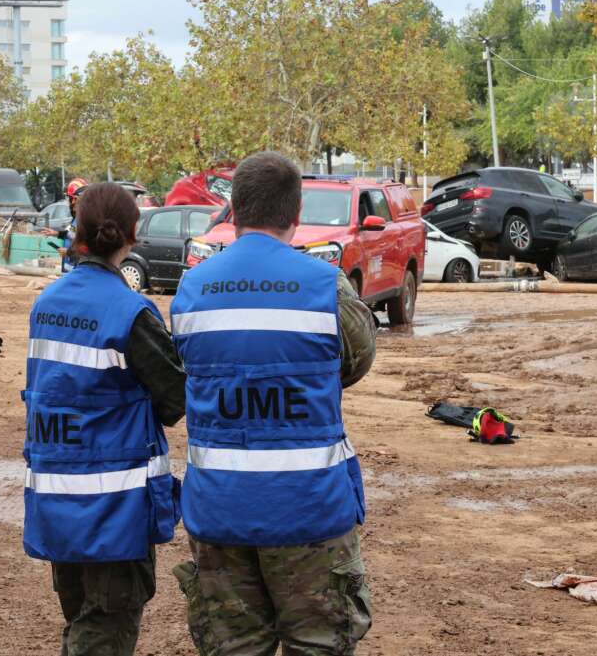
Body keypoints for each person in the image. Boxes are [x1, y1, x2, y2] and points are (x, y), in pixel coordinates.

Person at [170, 151, 377, 655]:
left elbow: (185, 369)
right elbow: (356, 361)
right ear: (296, 210)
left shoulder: (192, 287)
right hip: (310, 509)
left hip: (219, 510)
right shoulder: (327, 285)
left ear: (233, 209)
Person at [23, 182, 186, 655]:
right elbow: (175, 398)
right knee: (106, 629)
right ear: (133, 234)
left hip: (56, 495)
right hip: (115, 509)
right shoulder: (130, 311)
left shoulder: (47, 302)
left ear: (78, 234)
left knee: (80, 617)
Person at [41, 178, 89, 273]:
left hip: (78, 271)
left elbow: (87, 249)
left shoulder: (86, 221)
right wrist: (57, 233)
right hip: (69, 269)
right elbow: (70, 233)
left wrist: (68, 252)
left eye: (70, 198)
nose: (70, 202)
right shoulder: (76, 218)